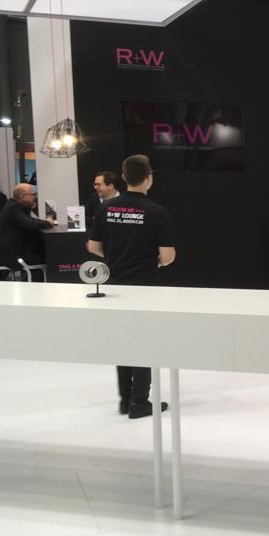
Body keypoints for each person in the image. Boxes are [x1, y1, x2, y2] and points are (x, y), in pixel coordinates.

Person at [87, 154, 176, 418]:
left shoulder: (106, 208)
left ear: (123, 177)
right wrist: (152, 261)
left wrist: (116, 257)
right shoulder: (156, 211)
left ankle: (125, 400)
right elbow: (168, 256)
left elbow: (93, 246)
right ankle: (140, 402)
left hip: (114, 284)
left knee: (123, 341)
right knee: (144, 341)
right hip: (145, 285)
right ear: (149, 178)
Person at [0, 184, 55, 279]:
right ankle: (33, 285)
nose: (35, 197)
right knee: (48, 259)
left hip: (7, 252)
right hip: (7, 254)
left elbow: (29, 221)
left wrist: (43, 221)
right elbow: (29, 223)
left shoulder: (14, 206)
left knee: (41, 255)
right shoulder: (14, 207)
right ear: (22, 197)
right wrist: (47, 222)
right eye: (33, 194)